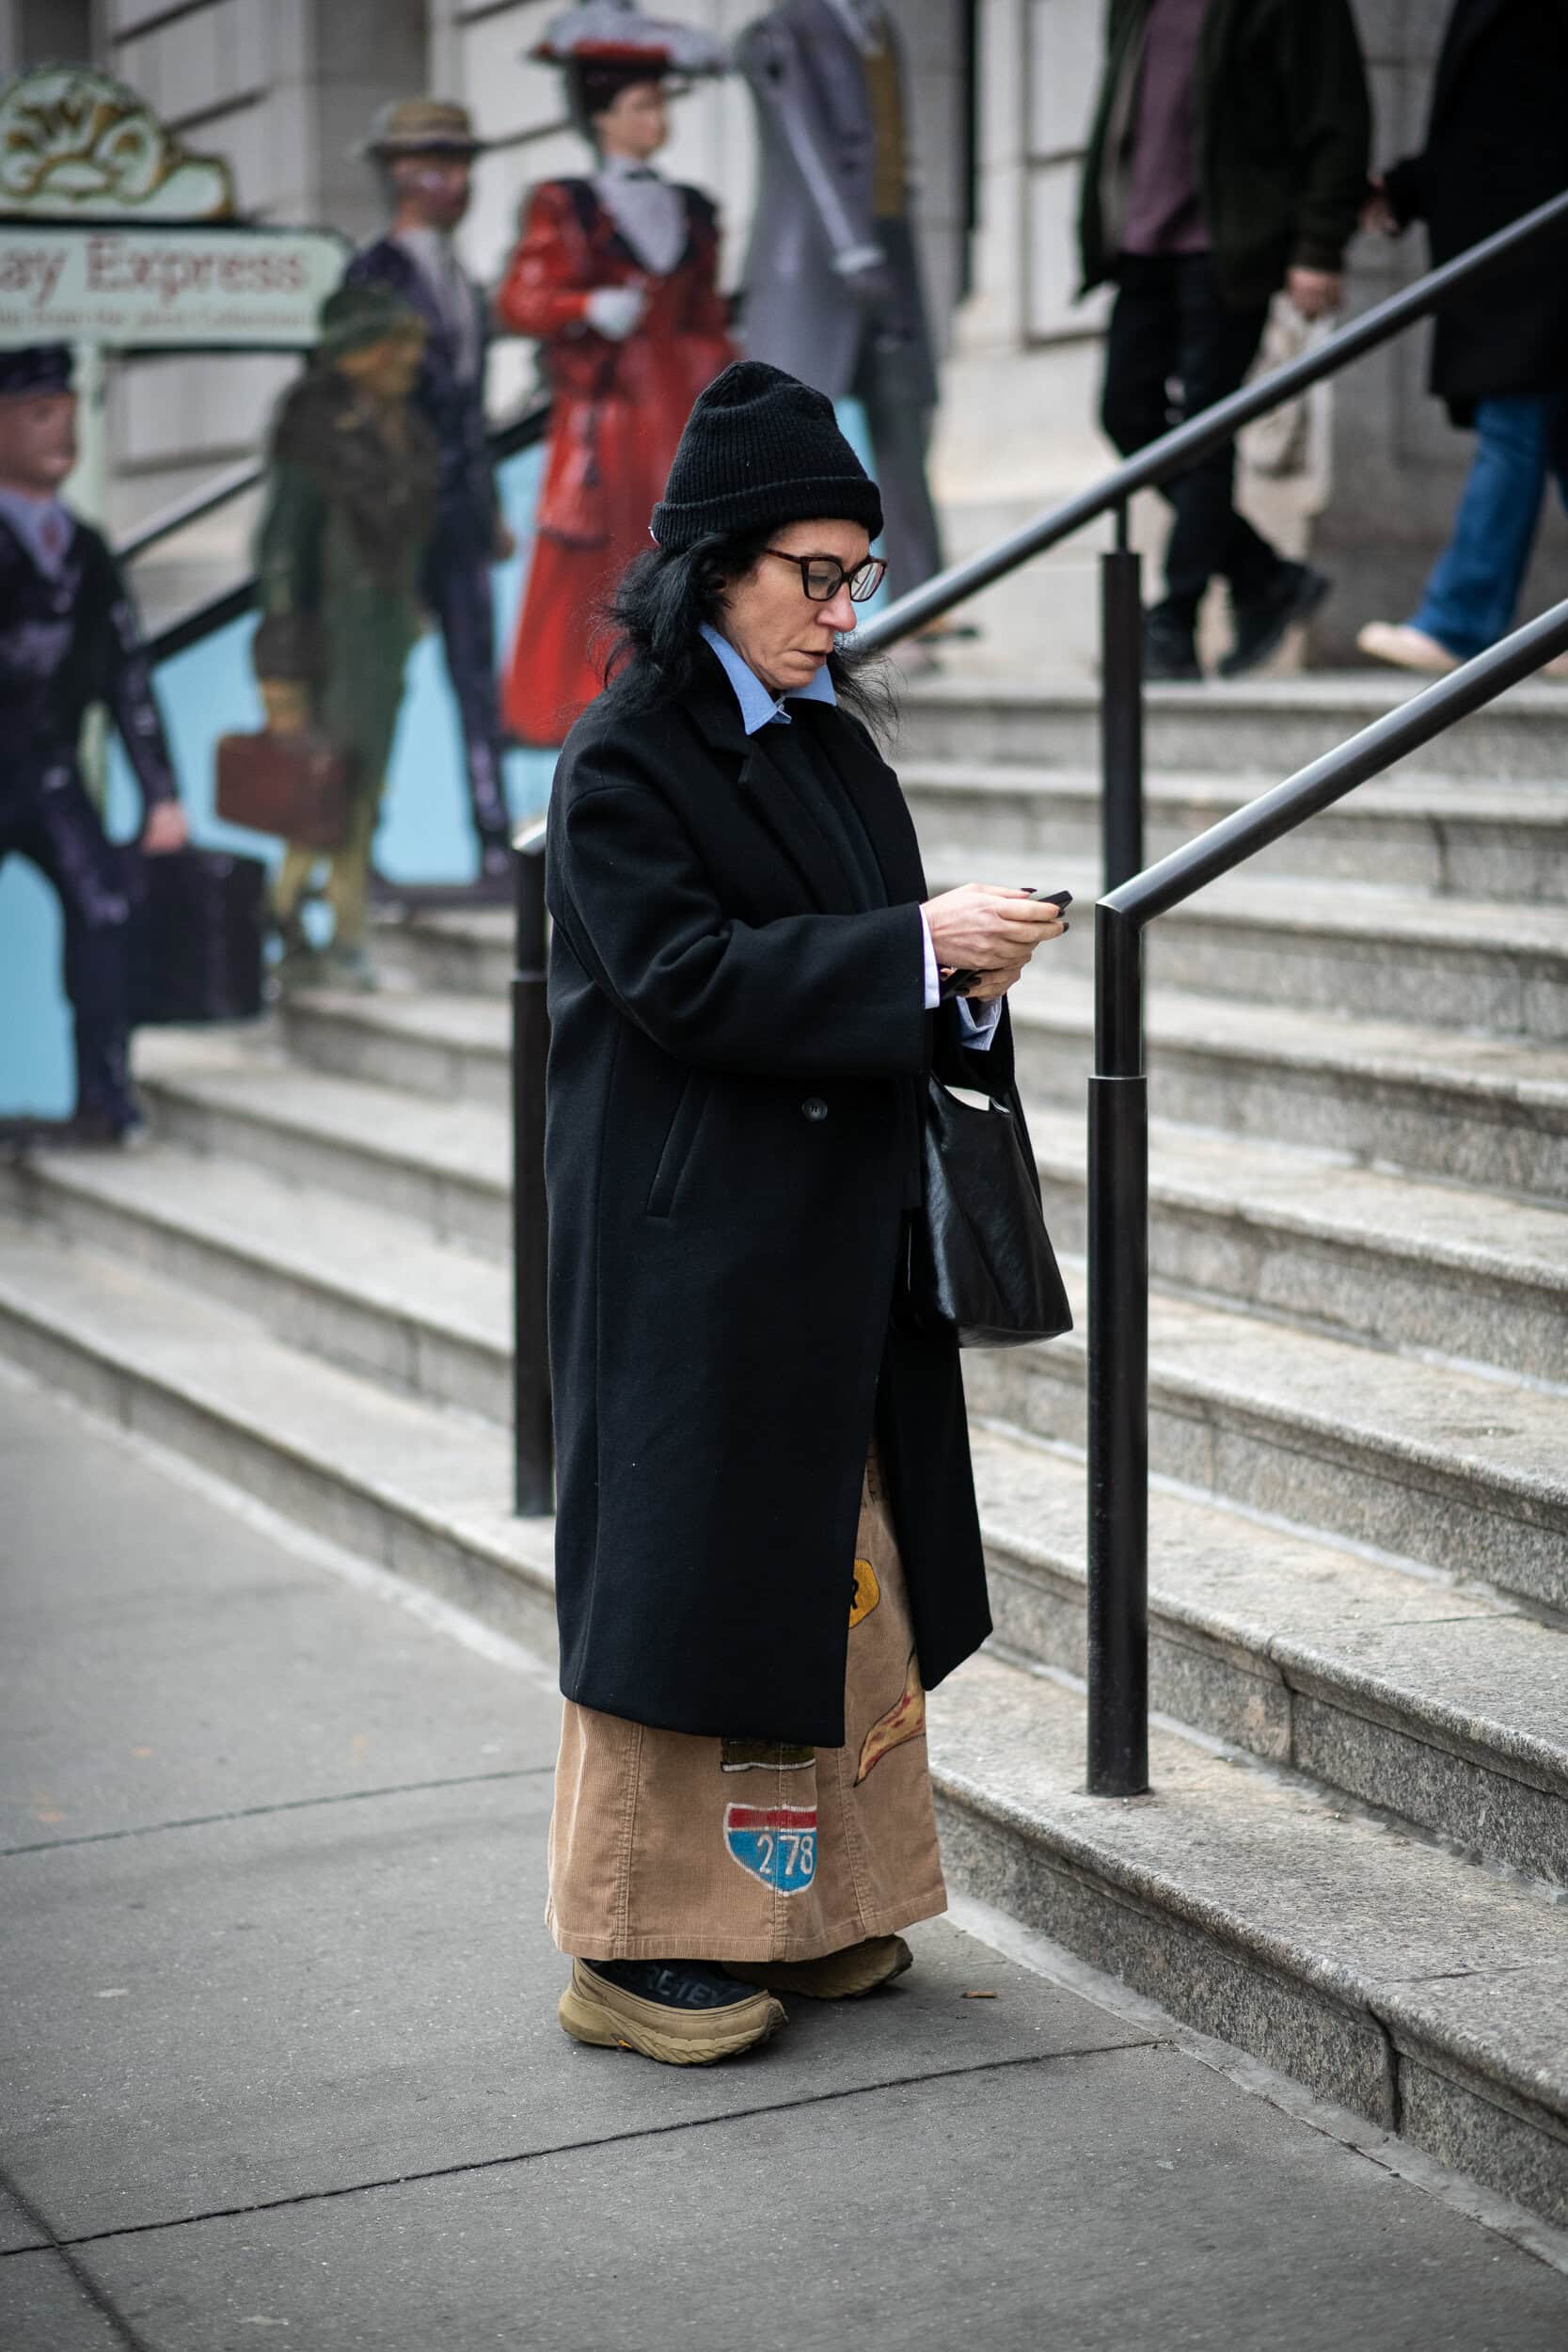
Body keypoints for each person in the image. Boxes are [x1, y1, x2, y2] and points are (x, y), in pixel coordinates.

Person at [542, 360, 1070, 2064]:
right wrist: (915, 945)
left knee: (845, 1572)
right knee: (689, 1592)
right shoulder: (623, 753)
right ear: (713, 567)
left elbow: (875, 985)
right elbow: (683, 980)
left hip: (834, 1243)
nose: (841, 613)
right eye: (814, 576)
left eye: (859, 576)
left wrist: (963, 988)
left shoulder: (834, 744)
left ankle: (816, 1913)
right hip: (696, 1252)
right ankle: (630, 1944)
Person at [1078, 0, 1371, 680]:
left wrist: (1320, 243)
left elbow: (1336, 114)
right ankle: (1260, 573)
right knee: (1126, 414)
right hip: (1142, 247)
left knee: (1206, 429)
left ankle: (1175, 622)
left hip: (1229, 247)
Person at [495, 2, 733, 749]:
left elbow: (707, 318)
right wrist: (584, 304)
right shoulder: (567, 205)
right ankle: (582, 701)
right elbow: (521, 299)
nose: (654, 120)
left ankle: (684, 692)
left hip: (681, 405)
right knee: (600, 556)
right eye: (638, 106)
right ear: (601, 117)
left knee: (684, 550)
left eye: (659, 104)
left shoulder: (691, 209)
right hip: (609, 417)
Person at [0, 344, 187, 1147]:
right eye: (40, 416)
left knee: (104, 909)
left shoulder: (84, 549)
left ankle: (103, 1100)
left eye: (70, 415)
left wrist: (161, 793)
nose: (63, 434)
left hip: (49, 774)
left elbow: (127, 676)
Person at [1356, 0, 1568, 679]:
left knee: (1512, 430)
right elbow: (1486, 125)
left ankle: (1458, 620)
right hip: (1508, 252)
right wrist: (1408, 187)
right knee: (1549, 433)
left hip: (1538, 251)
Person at [345, 99, 515, 878]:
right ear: (401, 173)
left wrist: (491, 507)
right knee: (377, 680)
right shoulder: (373, 278)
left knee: (477, 679)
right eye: (441, 164)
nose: (458, 180)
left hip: (462, 513)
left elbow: (470, 413)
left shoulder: (462, 283)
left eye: (461, 163)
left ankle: (493, 838)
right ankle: (357, 847)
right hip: (397, 517)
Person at [253, 284, 437, 990]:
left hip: (380, 633)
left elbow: (409, 530)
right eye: (397, 345)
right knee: (340, 790)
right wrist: (282, 671)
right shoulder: (316, 427)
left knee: (352, 787)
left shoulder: (399, 425)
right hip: (329, 639)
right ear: (363, 352)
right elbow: (282, 550)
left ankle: (288, 916)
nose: (411, 360)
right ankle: (335, 928)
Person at [737, 0, 944, 607]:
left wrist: (878, 245)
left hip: (889, 243)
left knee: (904, 425)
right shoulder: (784, 29)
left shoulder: (879, 26)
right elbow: (804, 141)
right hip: (810, 260)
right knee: (791, 446)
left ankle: (924, 599)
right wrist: (852, 247)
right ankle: (783, 604)